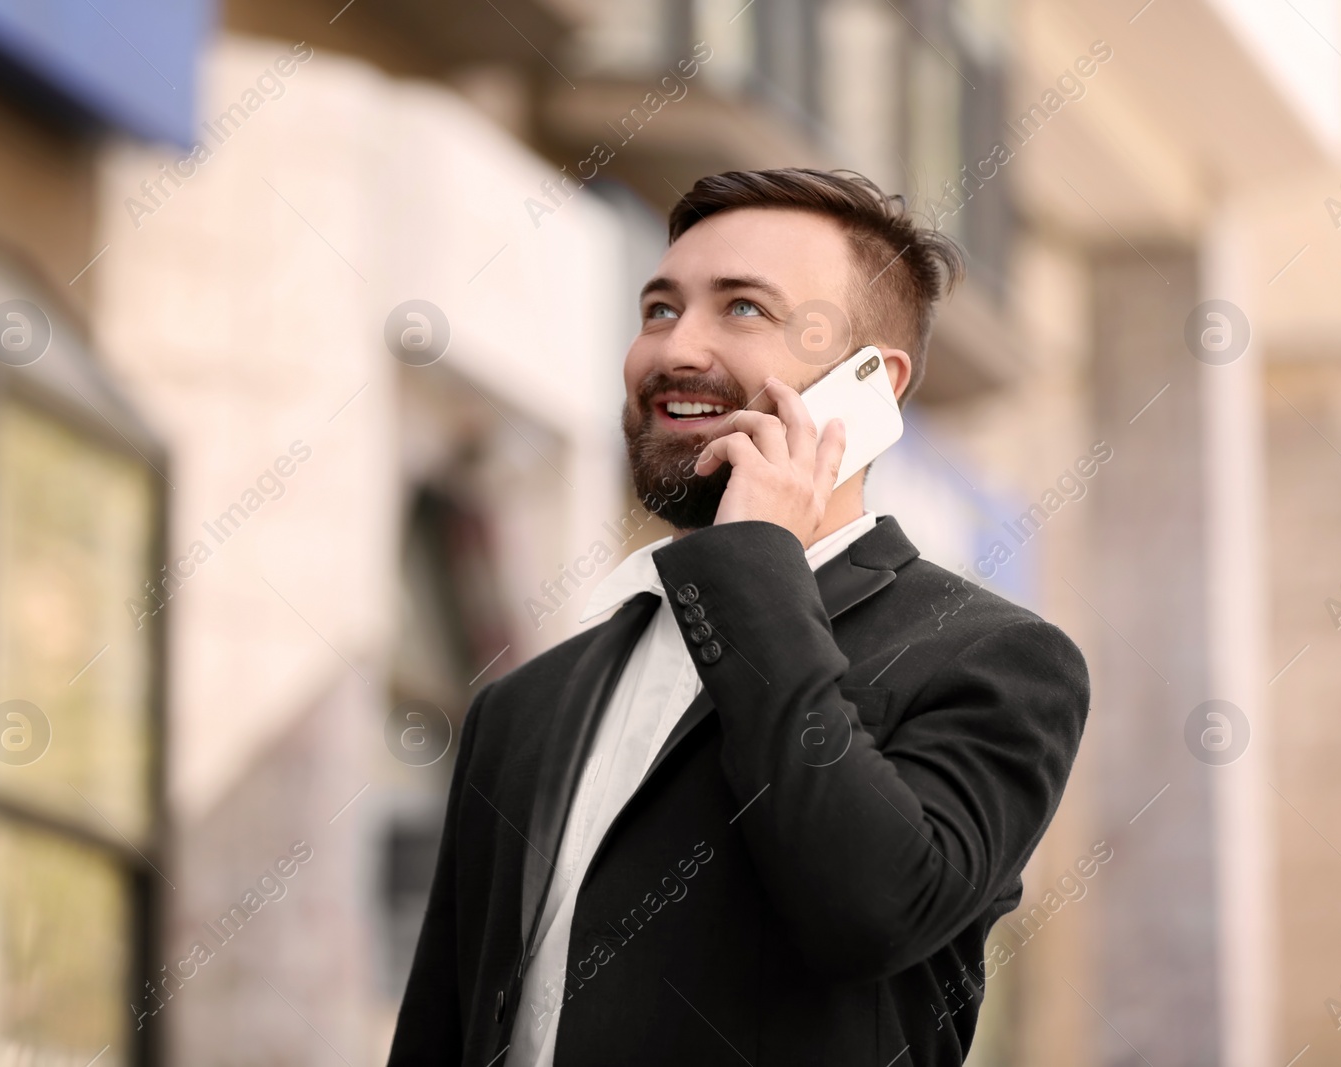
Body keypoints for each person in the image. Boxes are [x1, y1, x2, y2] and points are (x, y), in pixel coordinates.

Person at [387, 168, 1090, 1066]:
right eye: (658, 309)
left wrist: (756, 567)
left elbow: (872, 910)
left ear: (870, 387)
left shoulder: (997, 661)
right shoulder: (523, 707)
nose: (676, 349)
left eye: (745, 309)